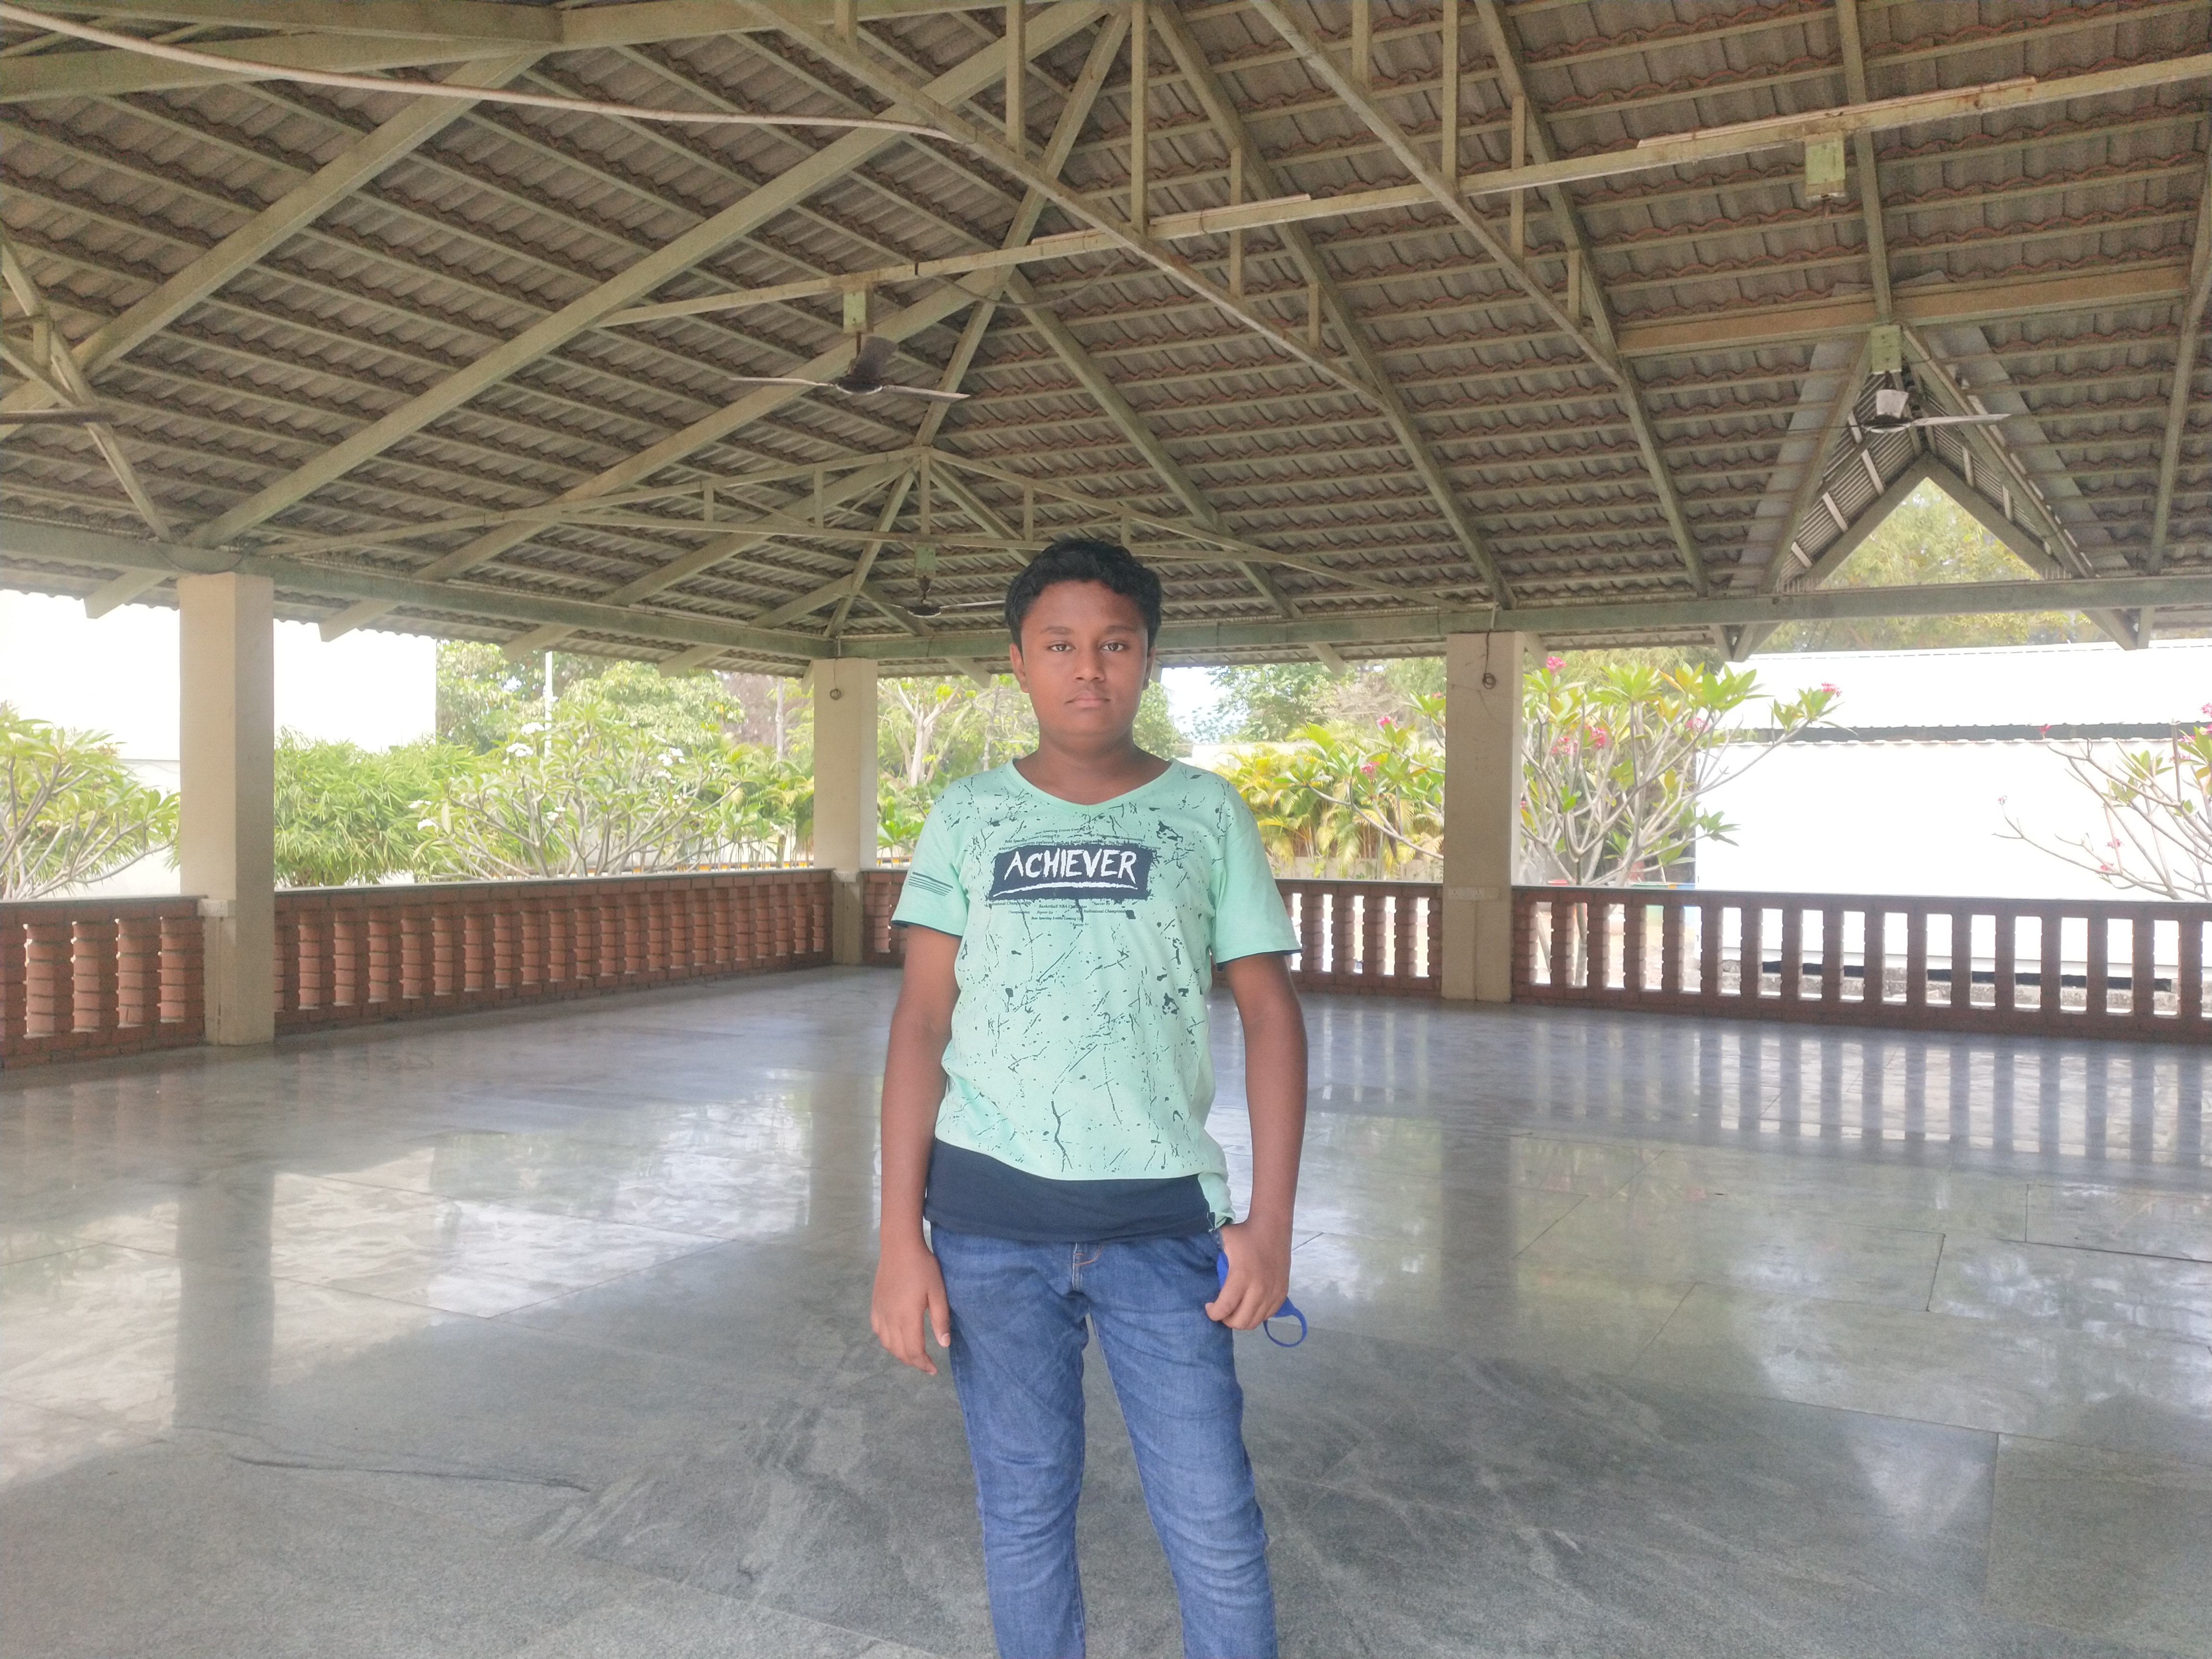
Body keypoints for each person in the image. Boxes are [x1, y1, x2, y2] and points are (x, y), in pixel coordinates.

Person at [872, 537, 1308, 1659]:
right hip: (987, 1231)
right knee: (1023, 1514)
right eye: (1059, 645)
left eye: (1114, 644)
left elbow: (1271, 1016)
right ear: (1018, 661)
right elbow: (920, 1024)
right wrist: (898, 1240)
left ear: (1147, 659)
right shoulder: (968, 815)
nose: (1088, 668)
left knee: (1214, 1524)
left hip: (1163, 1232)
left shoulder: (1206, 812)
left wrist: (1270, 1225)